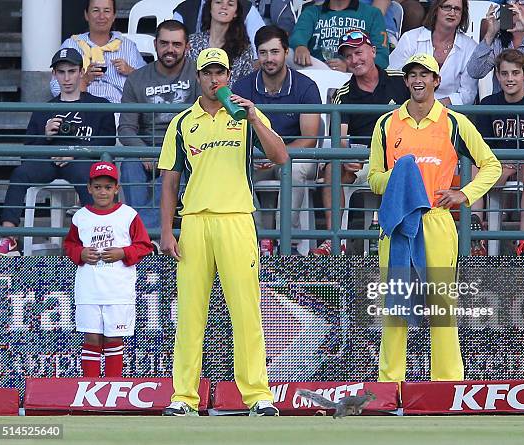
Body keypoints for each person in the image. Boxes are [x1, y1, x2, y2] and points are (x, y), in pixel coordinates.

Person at [159, 48, 287, 416]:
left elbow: (280, 157)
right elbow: (170, 180)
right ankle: (183, 397)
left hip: (236, 219)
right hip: (195, 222)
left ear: (229, 76)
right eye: (207, 73)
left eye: (220, 73)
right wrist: (167, 231)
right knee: (189, 314)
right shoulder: (182, 121)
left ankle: (258, 395)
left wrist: (254, 118)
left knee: (246, 311)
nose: (214, 80)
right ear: (198, 77)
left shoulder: (247, 113)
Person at [368, 54, 501, 382]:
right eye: (412, 74)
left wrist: (464, 195)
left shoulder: (454, 122)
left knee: (441, 306)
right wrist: (399, 176)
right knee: (395, 305)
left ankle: (447, 385)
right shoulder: (386, 123)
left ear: (436, 80)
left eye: (424, 74)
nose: (418, 80)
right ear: (406, 81)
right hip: (398, 223)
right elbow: (373, 178)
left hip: (437, 220)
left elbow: (492, 165)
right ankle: (390, 385)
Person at [0, 48, 116, 257]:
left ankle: (95, 236)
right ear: (54, 74)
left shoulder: (100, 105)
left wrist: (76, 153)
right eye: (61, 72)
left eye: (71, 71)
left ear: (81, 72)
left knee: (89, 175)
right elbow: (29, 150)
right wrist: (46, 135)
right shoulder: (45, 109)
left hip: (81, 163)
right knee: (20, 173)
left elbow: (107, 143)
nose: (67, 78)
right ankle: (9, 236)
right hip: (49, 162)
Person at [311, 30, 409, 255]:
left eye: (358, 52)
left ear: (373, 51)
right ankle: (334, 241)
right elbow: (341, 138)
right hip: (364, 160)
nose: (354, 60)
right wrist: (347, 158)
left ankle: (406, 241)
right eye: (348, 56)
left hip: (400, 158)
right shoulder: (343, 93)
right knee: (333, 167)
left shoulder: (400, 80)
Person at [232, 25, 322, 255]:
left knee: (294, 169)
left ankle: (287, 244)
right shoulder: (242, 87)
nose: (269, 58)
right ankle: (257, 241)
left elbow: (310, 138)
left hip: (293, 157)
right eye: (263, 53)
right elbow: (234, 131)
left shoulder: (305, 86)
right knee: (232, 169)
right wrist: (257, 156)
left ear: (286, 52)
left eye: (274, 52)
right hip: (255, 156)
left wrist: (276, 155)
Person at [63, 161, 153, 377]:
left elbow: (144, 246)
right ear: (89, 188)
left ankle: (113, 389)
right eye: (97, 187)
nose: (102, 192)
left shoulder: (128, 215)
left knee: (114, 337)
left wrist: (123, 252)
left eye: (107, 187)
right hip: (89, 290)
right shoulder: (81, 216)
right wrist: (81, 254)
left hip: (118, 290)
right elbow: (70, 245)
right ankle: (89, 390)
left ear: (116, 189)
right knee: (91, 337)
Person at [118, 20, 200, 234]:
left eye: (176, 44)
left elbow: (204, 122)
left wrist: (172, 154)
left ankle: (137, 234)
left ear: (187, 46)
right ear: (155, 44)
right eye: (164, 43)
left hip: (183, 151)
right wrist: (145, 153)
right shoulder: (137, 78)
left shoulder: (198, 75)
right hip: (147, 152)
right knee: (129, 163)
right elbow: (126, 129)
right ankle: (149, 235)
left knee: (175, 173)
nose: (170, 49)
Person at [474, 49, 524, 256]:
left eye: (515, 73)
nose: (509, 79)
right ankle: (477, 239)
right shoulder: (488, 104)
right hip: (496, 165)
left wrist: (511, 166)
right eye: (504, 73)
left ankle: (523, 240)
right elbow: (484, 144)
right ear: (497, 75)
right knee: (472, 168)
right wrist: (503, 166)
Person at [467, 0, 524, 106]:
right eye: (512, 1)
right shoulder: (498, 43)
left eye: (523, 2)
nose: (516, 6)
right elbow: (474, 71)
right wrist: (490, 34)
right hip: (503, 115)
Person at [51, 0, 146, 104]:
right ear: (86, 15)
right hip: (83, 111)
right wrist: (84, 80)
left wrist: (131, 72)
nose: (101, 16)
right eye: (96, 10)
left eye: (107, 11)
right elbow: (56, 88)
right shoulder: (72, 45)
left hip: (119, 111)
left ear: (114, 16)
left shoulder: (128, 46)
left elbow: (148, 86)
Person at [388, 0, 478, 106]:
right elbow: (393, 78)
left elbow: (468, 94)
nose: (452, 13)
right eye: (447, 7)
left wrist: (434, 108)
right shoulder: (410, 39)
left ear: (463, 14)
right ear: (436, 10)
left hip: (450, 112)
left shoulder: (470, 47)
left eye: (457, 9)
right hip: (410, 107)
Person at [289, 0, 389, 72]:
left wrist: (349, 66)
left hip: (355, 77)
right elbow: (298, 35)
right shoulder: (311, 12)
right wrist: (300, 46)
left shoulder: (372, 14)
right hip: (316, 71)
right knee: (284, 53)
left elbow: (382, 58)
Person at [188, 0, 254, 87]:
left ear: (236, 13)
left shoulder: (244, 49)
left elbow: (246, 85)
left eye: (230, 4)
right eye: (218, 2)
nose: (224, 7)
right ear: (210, 8)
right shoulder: (192, 42)